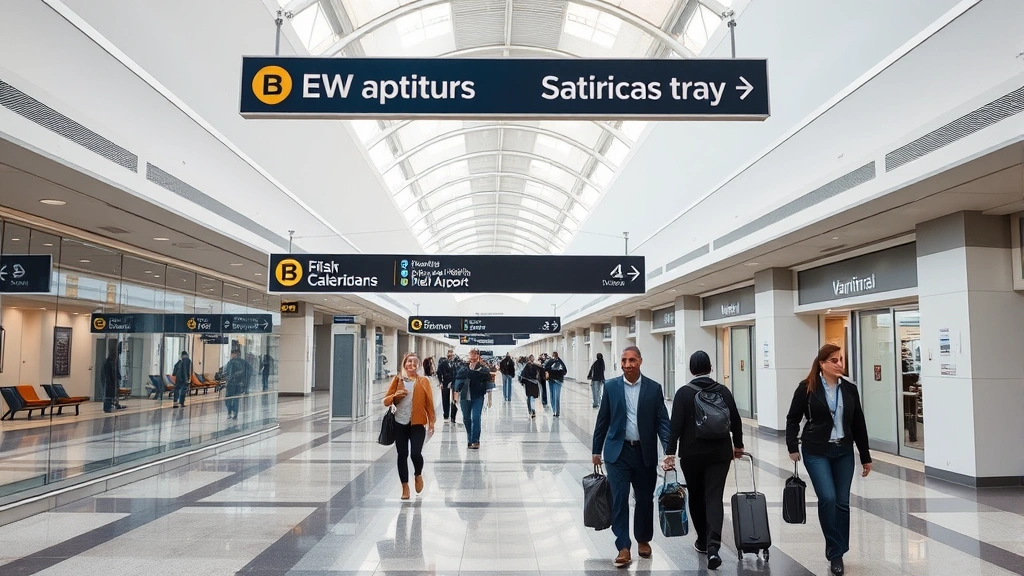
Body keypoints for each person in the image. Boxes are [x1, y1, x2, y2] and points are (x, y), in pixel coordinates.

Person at [786, 344, 872, 576]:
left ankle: (839, 551)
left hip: (843, 450)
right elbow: (793, 418)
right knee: (828, 497)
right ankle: (834, 551)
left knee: (842, 502)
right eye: (834, 360)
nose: (839, 364)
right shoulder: (807, 388)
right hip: (816, 451)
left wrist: (865, 456)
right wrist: (792, 446)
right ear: (822, 364)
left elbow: (858, 423)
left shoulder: (850, 390)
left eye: (841, 359)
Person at [592, 346, 672, 568]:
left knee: (645, 499)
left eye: (632, 360)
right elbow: (603, 420)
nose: (627, 364)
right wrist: (596, 450)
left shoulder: (653, 389)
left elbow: (663, 422)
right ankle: (623, 546)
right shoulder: (611, 387)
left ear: (640, 361)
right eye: (624, 360)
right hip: (617, 453)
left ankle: (643, 538)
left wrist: (669, 449)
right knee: (619, 499)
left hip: (644, 452)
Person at [665, 351, 744, 571]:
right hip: (720, 453)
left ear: (691, 369)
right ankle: (713, 548)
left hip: (691, 454)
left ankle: (701, 540)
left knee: (697, 496)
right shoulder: (723, 391)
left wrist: (670, 453)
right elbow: (735, 420)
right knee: (714, 496)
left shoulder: (683, 393)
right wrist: (738, 445)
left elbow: (675, 427)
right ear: (710, 368)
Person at [383, 352, 436, 500]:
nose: (411, 365)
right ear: (404, 364)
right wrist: (396, 395)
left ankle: (418, 474)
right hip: (400, 422)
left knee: (415, 453)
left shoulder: (423, 381)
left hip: (417, 423)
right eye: (409, 362)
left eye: (414, 362)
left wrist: (431, 422)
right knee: (402, 454)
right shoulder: (397, 379)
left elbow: (429, 403)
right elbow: (386, 401)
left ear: (418, 365)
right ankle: (405, 486)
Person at [455, 348, 492, 449]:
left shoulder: (484, 370)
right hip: (465, 397)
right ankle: (470, 438)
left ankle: (475, 440)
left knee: (476, 417)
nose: (472, 357)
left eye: (474, 354)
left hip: (478, 396)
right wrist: (455, 396)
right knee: (466, 418)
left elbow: (489, 384)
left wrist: (489, 399)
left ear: (478, 356)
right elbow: (457, 382)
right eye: (471, 354)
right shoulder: (463, 369)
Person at [224, 348, 251, 419]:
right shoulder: (240, 362)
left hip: (234, 384)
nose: (231, 355)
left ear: (235, 354)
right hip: (236, 384)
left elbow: (227, 372)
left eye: (232, 354)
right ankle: (233, 412)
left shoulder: (235, 362)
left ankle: (231, 412)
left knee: (230, 399)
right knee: (234, 399)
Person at [436, 350, 458, 424]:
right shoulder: (443, 363)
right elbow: (439, 373)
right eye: (450, 355)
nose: (451, 357)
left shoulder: (455, 364)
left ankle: (453, 415)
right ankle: (446, 414)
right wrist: (441, 382)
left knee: (454, 399)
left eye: (452, 355)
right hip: (445, 382)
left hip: (454, 382)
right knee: (445, 398)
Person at [543, 351, 568, 417]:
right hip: (557, 381)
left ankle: (555, 411)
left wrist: (550, 372)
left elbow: (545, 368)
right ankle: (556, 411)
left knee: (553, 396)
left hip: (553, 380)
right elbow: (564, 371)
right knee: (556, 396)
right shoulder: (559, 362)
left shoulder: (551, 361)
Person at [101, 344, 124, 413]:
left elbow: (116, 371)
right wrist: (110, 381)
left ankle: (114, 404)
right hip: (109, 381)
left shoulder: (113, 361)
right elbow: (108, 373)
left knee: (113, 394)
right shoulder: (108, 362)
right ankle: (107, 407)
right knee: (109, 395)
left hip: (113, 381)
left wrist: (119, 377)